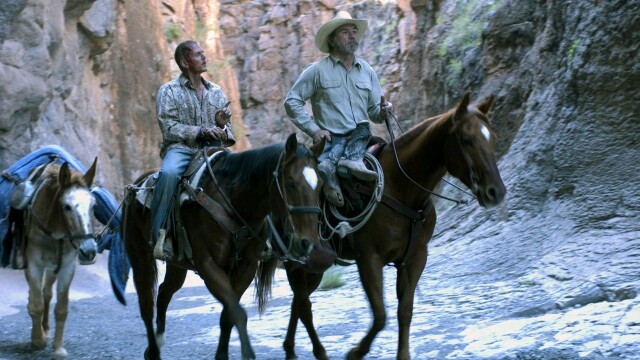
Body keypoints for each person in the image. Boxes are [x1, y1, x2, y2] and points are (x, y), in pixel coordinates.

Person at [284, 11, 392, 207]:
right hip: (330, 141)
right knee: (311, 197)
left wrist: (383, 111)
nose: (352, 35)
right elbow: (292, 101)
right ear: (332, 41)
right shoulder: (316, 71)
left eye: (354, 31)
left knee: (388, 170)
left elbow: (374, 113)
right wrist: (314, 130)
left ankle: (340, 165)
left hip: (362, 137)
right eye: (345, 32)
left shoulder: (367, 71)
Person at [150, 40, 235, 253]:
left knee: (242, 172)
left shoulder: (216, 91)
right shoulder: (168, 91)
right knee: (169, 174)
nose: (204, 57)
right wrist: (201, 131)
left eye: (203, 53)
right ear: (184, 62)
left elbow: (228, 131)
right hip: (182, 149)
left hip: (214, 149)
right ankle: (160, 235)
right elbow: (169, 127)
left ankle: (256, 235)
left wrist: (221, 125)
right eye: (198, 55)